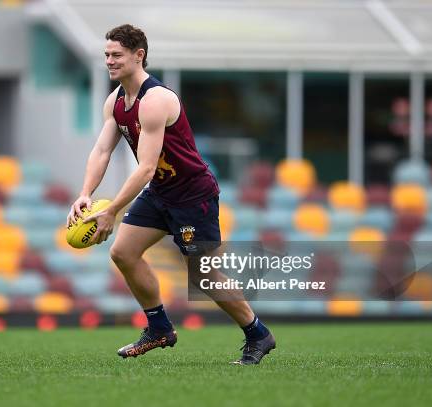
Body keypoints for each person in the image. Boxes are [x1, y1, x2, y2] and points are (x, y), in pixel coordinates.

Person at [66, 24, 275, 365]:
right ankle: (159, 328)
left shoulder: (156, 100)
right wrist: (85, 193)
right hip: (161, 193)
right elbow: (102, 151)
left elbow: (146, 167)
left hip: (193, 195)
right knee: (123, 252)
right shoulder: (116, 102)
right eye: (106, 55)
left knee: (203, 276)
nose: (109, 61)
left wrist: (112, 210)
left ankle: (258, 334)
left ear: (139, 55)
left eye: (116, 55)